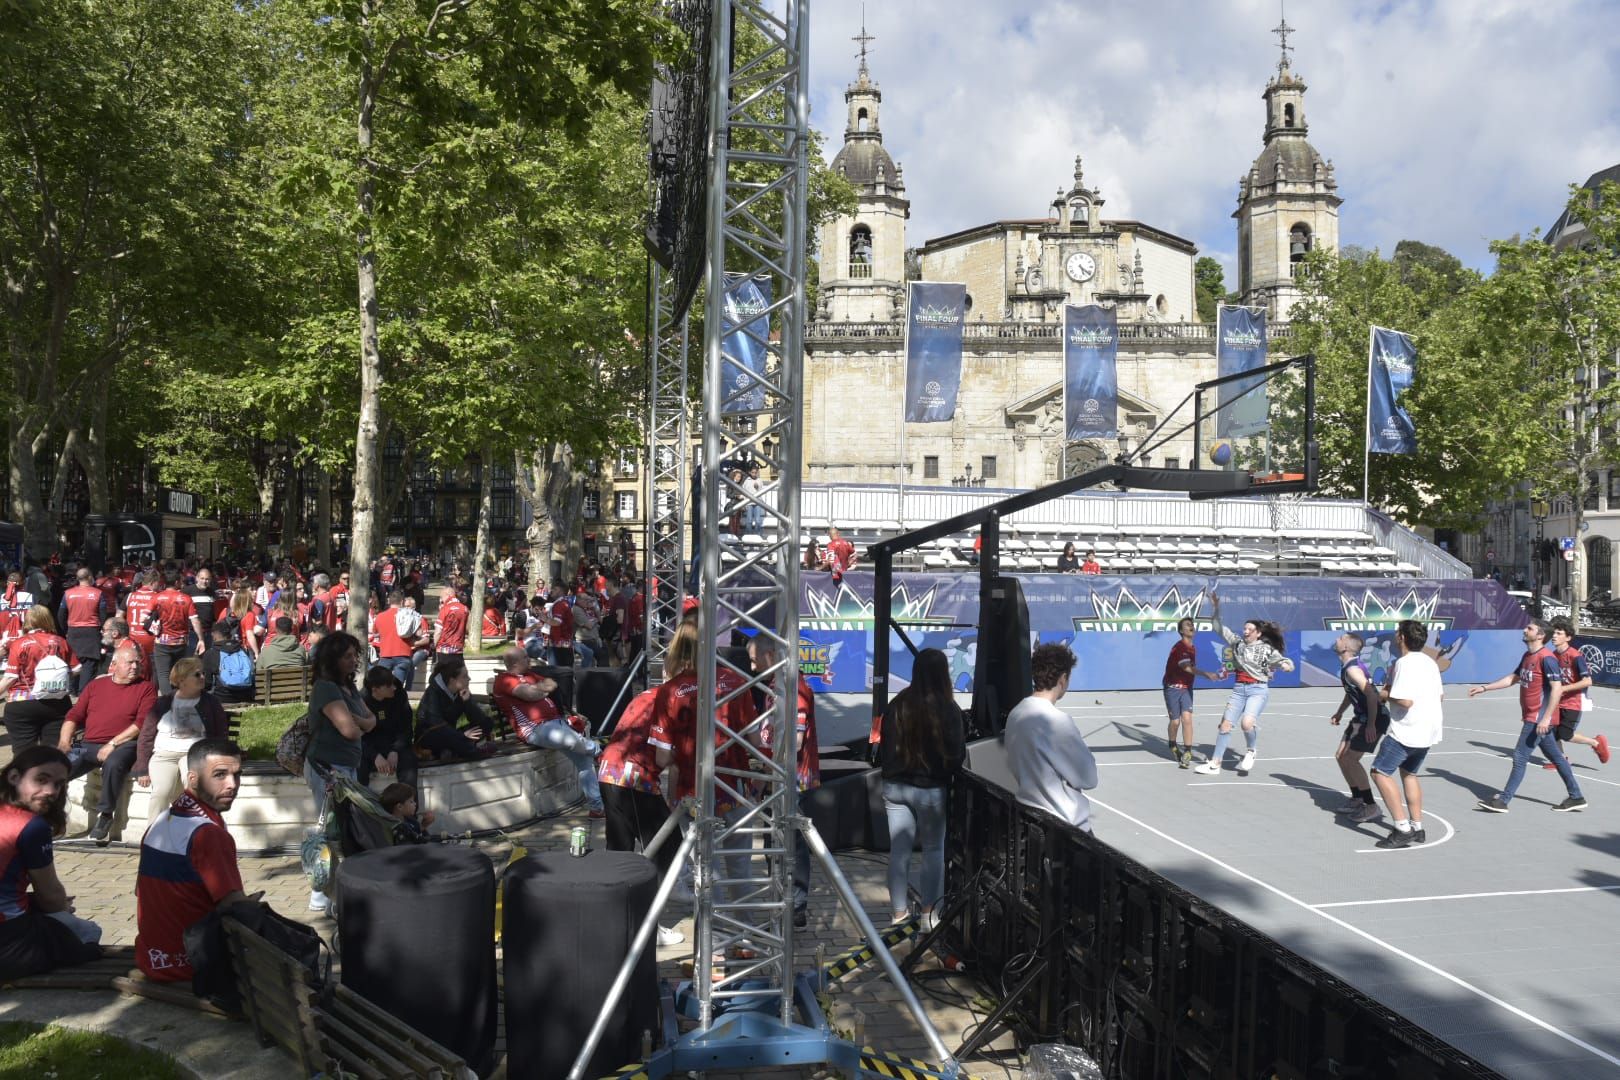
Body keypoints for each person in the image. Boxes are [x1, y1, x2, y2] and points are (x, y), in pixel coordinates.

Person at [134, 738, 257, 983]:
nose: (232, 785)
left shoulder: (163, 818)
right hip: (192, 964)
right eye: (220, 775)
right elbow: (235, 907)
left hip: (151, 958)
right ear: (192, 779)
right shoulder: (208, 833)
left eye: (237, 775)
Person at [877, 648, 965, 926]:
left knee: (899, 852)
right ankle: (929, 915)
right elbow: (957, 754)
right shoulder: (948, 709)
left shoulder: (898, 703)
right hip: (930, 790)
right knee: (933, 851)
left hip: (895, 786)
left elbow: (883, 745)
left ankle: (899, 914)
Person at [0, 745, 103, 981]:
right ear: (14, 777)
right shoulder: (30, 826)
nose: (50, 791)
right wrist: (61, 908)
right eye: (41, 779)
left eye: (58, 784)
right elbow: (51, 897)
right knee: (88, 932)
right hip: (7, 942)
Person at [596, 686, 684, 944]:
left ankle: (613, 919)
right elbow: (668, 759)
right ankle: (647, 927)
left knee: (620, 851)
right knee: (665, 848)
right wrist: (673, 801)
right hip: (634, 778)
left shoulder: (649, 693)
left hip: (608, 771)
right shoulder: (677, 700)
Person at [1471, 618, 1586, 813]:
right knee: (1557, 758)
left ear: (1540, 635)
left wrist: (1546, 717)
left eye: (1529, 628)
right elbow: (1512, 678)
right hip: (1534, 717)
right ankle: (1576, 796)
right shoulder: (1527, 656)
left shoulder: (1547, 658)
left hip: (1538, 718)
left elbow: (1557, 690)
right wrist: (1484, 688)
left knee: (1519, 756)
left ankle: (1503, 800)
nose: (1525, 630)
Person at [750, 634, 821, 928]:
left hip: (790, 779)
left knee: (790, 841)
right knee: (774, 840)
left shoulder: (794, 692)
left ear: (770, 656)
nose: (752, 668)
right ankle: (783, 900)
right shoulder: (774, 688)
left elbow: (793, 742)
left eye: (754, 660)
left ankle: (796, 903)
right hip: (774, 776)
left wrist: (769, 773)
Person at [304, 632, 375, 912]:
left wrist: (359, 722)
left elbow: (371, 722)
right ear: (332, 659)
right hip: (327, 769)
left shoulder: (348, 688)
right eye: (347, 656)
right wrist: (359, 724)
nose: (353, 660)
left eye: (354, 655)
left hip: (346, 769)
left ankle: (334, 889)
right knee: (328, 833)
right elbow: (349, 731)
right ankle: (321, 894)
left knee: (342, 829)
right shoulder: (326, 688)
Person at [60, 643, 157, 844]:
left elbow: (141, 724)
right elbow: (74, 714)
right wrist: (63, 741)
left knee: (113, 763)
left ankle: (105, 815)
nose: (135, 667)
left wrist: (112, 743)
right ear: (114, 664)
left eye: (138, 663)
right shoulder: (96, 686)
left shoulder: (145, 688)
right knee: (59, 767)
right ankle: (49, 812)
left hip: (124, 744)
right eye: (130, 663)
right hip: (88, 743)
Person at [491, 647, 602, 814]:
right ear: (514, 663)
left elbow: (552, 684)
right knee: (573, 742)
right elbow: (529, 694)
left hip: (556, 723)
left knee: (584, 760)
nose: (529, 659)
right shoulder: (504, 680)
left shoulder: (529, 675)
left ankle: (596, 808)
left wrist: (539, 689)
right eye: (525, 657)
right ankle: (600, 752)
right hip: (535, 728)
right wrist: (541, 690)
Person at [1192, 594, 1294, 776]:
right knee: (1225, 725)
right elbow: (1217, 627)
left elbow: (1284, 661)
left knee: (1247, 724)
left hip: (1258, 689)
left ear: (1258, 633)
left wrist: (1286, 665)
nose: (1245, 631)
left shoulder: (1266, 649)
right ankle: (1215, 764)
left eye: (1250, 629)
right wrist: (1216, 608)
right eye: (1244, 628)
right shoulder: (1237, 643)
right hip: (1239, 690)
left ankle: (1251, 750)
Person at [1005, 643, 1097, 831]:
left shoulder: (1016, 713)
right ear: (1062, 679)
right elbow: (1089, 778)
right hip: (1064, 826)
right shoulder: (1058, 722)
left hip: (1028, 814)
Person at [1370, 620, 1445, 848]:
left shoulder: (1404, 663)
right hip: (1429, 729)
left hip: (1407, 729)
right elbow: (1440, 696)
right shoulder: (1430, 662)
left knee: (1380, 772)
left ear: (1401, 637)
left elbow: (1405, 700)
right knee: (1409, 774)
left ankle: (1401, 827)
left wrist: (1384, 695)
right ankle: (1417, 826)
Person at [133, 656, 230, 818]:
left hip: (193, 754)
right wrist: (142, 768)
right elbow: (146, 735)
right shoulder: (163, 702)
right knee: (161, 793)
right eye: (197, 675)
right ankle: (154, 836)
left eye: (203, 673)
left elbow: (220, 734)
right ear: (182, 680)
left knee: (194, 789)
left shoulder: (210, 702)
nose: (203, 677)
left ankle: (196, 831)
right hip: (163, 755)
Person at [1329, 632, 1390, 824]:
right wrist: (1339, 712)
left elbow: (1372, 695)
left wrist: (1371, 724)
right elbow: (1352, 692)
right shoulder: (1348, 667)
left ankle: (1371, 806)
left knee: (1351, 759)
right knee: (1340, 756)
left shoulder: (1353, 669)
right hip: (1361, 716)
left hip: (1373, 718)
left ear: (1346, 647)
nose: (1337, 639)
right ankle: (1357, 798)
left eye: (1340, 638)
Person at [0, 605, 78, 750]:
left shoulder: (19, 643)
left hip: (22, 704)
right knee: (52, 753)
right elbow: (77, 668)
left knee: (23, 753)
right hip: (57, 701)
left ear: (28, 621)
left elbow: (10, 678)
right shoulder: (61, 641)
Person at [1549, 616, 1609, 766]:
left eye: (1558, 633)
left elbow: (1588, 681)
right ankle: (1561, 760)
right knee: (1550, 731)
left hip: (1573, 701)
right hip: (1557, 700)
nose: (1554, 636)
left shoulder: (1575, 656)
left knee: (1565, 734)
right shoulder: (1553, 656)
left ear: (1568, 637)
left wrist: (1562, 688)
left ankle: (1595, 743)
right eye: (1553, 633)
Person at [415, 653, 496, 762]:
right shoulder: (433, 693)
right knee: (451, 738)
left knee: (487, 723)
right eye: (465, 676)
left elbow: (479, 720)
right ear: (452, 680)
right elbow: (437, 725)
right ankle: (474, 752)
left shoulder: (461, 691)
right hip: (430, 737)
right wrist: (462, 735)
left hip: (452, 734)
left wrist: (468, 702)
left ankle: (450, 751)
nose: (469, 679)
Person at [1163, 617, 1221, 768]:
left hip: (1186, 688)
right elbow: (1186, 668)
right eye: (1188, 625)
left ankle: (1187, 751)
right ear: (1181, 631)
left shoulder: (1192, 647)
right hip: (1172, 688)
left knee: (1187, 719)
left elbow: (1189, 670)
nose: (1191, 627)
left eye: (1192, 625)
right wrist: (1206, 674)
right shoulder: (1180, 647)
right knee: (1175, 722)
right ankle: (1172, 744)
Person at [359, 665, 418, 790]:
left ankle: (407, 804)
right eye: (389, 686)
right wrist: (375, 756)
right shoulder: (361, 701)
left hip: (394, 743)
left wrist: (395, 750)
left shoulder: (399, 695)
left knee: (409, 760)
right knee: (359, 765)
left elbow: (406, 727)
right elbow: (358, 737)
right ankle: (359, 805)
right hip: (370, 746)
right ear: (375, 689)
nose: (394, 688)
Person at [149, 567, 205, 696]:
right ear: (176, 582)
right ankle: (180, 697)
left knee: (163, 674)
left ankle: (168, 701)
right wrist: (201, 639)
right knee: (180, 672)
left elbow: (144, 617)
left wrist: (154, 628)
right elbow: (195, 621)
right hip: (180, 642)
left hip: (162, 642)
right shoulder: (186, 598)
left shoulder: (157, 597)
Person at [60, 567, 109, 695]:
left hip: (73, 630)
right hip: (92, 631)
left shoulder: (68, 593)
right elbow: (103, 614)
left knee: (73, 660)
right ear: (89, 577)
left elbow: (61, 614)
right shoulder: (98, 593)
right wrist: (102, 629)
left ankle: (72, 690)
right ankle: (84, 691)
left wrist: (65, 630)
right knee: (89, 662)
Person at [373, 591, 423, 691]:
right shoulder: (409, 615)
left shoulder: (379, 617)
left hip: (385, 655)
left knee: (381, 686)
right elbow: (419, 634)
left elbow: (375, 633)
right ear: (402, 602)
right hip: (403, 654)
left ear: (389, 601)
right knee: (397, 687)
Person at [202, 624, 257, 704]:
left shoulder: (210, 653)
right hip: (246, 695)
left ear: (213, 636)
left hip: (222, 697)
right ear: (230, 635)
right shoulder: (243, 650)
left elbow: (207, 682)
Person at [433, 583, 469, 668]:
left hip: (444, 649)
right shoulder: (465, 608)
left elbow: (438, 632)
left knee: (443, 677)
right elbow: (468, 629)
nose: (441, 600)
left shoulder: (445, 609)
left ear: (448, 595)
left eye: (441, 597)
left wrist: (434, 645)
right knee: (458, 675)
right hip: (458, 649)